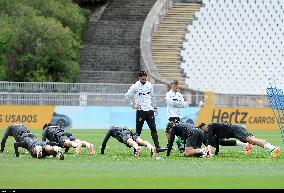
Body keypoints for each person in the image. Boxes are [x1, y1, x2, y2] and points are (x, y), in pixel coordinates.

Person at [125, 70, 166, 153]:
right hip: (141, 111)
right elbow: (127, 96)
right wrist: (133, 105)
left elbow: (152, 97)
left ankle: (157, 147)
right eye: (142, 79)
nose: (144, 80)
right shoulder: (135, 86)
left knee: (153, 129)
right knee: (138, 131)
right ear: (139, 77)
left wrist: (155, 108)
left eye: (145, 79)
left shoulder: (149, 85)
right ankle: (136, 149)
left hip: (149, 110)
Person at [199, 122, 281, 158]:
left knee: (252, 140)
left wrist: (208, 152)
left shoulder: (210, 126)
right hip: (235, 130)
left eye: (203, 131)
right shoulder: (212, 129)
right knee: (252, 140)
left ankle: (273, 148)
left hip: (235, 130)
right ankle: (272, 148)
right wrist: (216, 153)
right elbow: (216, 141)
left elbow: (209, 141)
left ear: (204, 127)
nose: (204, 132)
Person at [173, 123, 253, 155]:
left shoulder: (202, 131)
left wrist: (208, 147)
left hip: (207, 139)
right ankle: (245, 144)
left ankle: (245, 144)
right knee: (221, 142)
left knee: (221, 142)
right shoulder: (199, 131)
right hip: (205, 139)